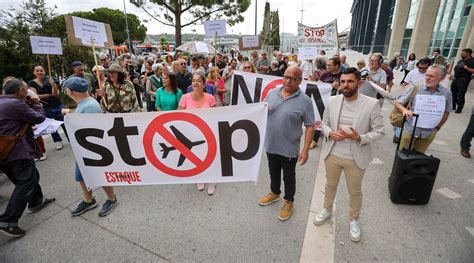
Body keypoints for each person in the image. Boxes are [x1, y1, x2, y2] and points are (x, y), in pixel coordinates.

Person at [313, 67, 384, 242]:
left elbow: (380, 132)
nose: (346, 85)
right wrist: (330, 133)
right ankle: (326, 210)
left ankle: (354, 220)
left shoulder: (371, 103)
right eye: (343, 81)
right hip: (333, 154)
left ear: (359, 83)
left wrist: (359, 137)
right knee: (330, 185)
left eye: (350, 81)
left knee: (355, 191)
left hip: (356, 156)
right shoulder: (333, 101)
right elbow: (323, 123)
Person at [0, 78, 56, 238]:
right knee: (27, 180)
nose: (27, 92)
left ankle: (36, 201)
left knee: (26, 177)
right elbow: (39, 118)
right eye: (26, 90)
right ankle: (8, 220)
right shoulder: (15, 104)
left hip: (4, 152)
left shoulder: (4, 102)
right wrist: (36, 102)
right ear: (20, 91)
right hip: (16, 151)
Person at [258, 66, 315, 221]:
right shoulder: (272, 93)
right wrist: (264, 110)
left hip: (289, 148)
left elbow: (310, 126)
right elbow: (261, 111)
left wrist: (305, 150)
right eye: (286, 77)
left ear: (300, 81)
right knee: (273, 171)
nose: (288, 81)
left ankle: (289, 201)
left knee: (289, 177)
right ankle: (275, 193)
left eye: (293, 79)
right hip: (271, 144)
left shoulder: (305, 101)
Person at [63, 77, 118, 217]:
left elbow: (93, 130)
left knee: (99, 175)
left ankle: (111, 198)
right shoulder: (84, 104)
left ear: (70, 91)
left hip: (92, 149)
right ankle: (88, 200)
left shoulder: (90, 106)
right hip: (83, 148)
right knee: (81, 175)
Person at [395, 65, 452, 153]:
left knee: (418, 158)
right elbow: (398, 103)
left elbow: (446, 112)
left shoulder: (446, 93)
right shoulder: (415, 88)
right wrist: (405, 110)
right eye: (427, 75)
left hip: (428, 133)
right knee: (402, 157)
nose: (427, 78)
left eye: (432, 76)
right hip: (410, 129)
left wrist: (437, 128)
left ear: (441, 78)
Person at [178, 73, 217, 195]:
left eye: (199, 81)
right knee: (197, 157)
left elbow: (218, 115)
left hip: (208, 133)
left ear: (204, 83)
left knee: (211, 156)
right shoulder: (184, 97)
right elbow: (178, 116)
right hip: (192, 134)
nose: (196, 83)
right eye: (194, 80)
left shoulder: (210, 97)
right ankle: (199, 178)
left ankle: (212, 180)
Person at [28, 65, 67, 150]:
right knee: (51, 126)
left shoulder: (50, 79)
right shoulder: (31, 83)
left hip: (57, 105)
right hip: (45, 107)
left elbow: (55, 94)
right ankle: (58, 141)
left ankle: (71, 138)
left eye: (41, 70)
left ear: (44, 71)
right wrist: (49, 95)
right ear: (34, 72)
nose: (39, 72)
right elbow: (36, 96)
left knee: (65, 123)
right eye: (37, 71)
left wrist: (53, 85)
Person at [450, 48, 474, 113]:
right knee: (453, 93)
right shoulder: (461, 61)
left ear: (468, 53)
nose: (461, 54)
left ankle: (459, 108)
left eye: (463, 53)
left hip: (464, 79)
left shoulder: (472, 61)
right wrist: (453, 76)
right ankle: (453, 106)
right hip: (456, 79)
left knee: (461, 94)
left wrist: (466, 68)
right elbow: (455, 69)